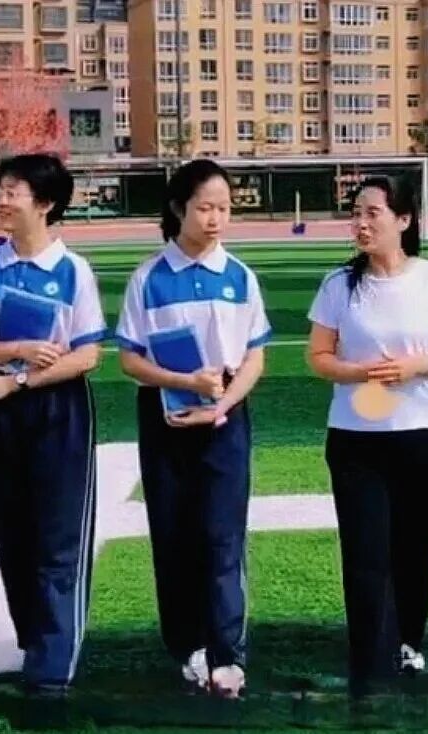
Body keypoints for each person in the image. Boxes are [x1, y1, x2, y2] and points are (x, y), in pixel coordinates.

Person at [0, 153, 106, 696]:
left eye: (12, 192)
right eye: (1, 190)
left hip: (57, 408)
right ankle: (35, 642)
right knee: (12, 533)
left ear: (44, 204)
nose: (2, 200)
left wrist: (20, 380)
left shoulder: (73, 271)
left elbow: (87, 354)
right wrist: (15, 351)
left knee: (57, 537)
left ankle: (51, 670)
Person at [306, 175, 428, 696]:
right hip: (355, 438)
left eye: (372, 213)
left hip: (421, 433)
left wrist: (417, 365)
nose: (361, 223)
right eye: (356, 213)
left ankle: (408, 641)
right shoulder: (338, 285)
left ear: (403, 219)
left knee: (414, 546)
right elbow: (319, 357)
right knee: (364, 549)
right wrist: (359, 372)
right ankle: (368, 653)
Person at [116, 159, 270, 699]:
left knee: (223, 536)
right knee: (174, 535)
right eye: (205, 207)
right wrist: (185, 381)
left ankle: (228, 654)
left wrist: (221, 401)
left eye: (224, 208)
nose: (216, 218)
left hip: (224, 417)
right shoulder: (149, 278)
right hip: (167, 417)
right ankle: (188, 647)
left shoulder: (239, 276)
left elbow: (255, 357)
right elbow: (130, 359)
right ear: (179, 208)